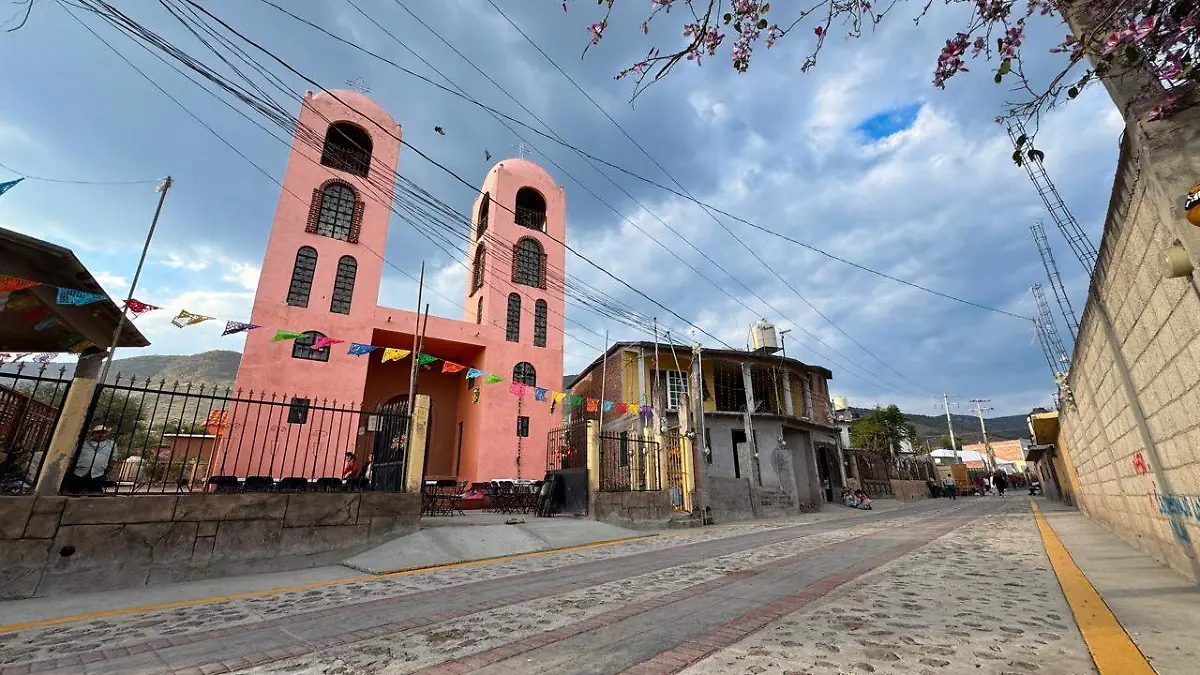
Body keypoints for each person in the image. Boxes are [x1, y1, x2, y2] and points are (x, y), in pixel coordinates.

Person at [64, 425, 115, 494]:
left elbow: (113, 459)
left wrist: (107, 469)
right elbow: (72, 456)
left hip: (97, 474)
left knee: (93, 494)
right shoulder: (83, 443)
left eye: (103, 433)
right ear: (93, 434)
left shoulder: (111, 445)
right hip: (79, 472)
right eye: (98, 432)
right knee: (73, 492)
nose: (101, 435)